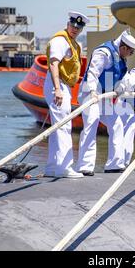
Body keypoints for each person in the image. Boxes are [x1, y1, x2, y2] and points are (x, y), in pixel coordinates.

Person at [75, 30, 135, 176]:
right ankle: (85, 166)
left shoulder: (122, 58)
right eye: (131, 52)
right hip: (90, 93)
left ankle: (114, 164)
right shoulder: (104, 52)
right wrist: (92, 92)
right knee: (92, 122)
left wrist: (127, 87)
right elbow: (93, 73)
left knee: (116, 124)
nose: (131, 55)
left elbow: (122, 77)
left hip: (105, 96)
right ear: (124, 48)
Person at [43, 11, 89, 178]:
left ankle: (52, 167)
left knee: (57, 128)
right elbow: (54, 64)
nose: (75, 28)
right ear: (68, 24)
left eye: (79, 26)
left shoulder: (73, 43)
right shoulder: (60, 41)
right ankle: (65, 167)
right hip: (58, 84)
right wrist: (57, 89)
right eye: (73, 25)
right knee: (63, 126)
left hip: (63, 85)